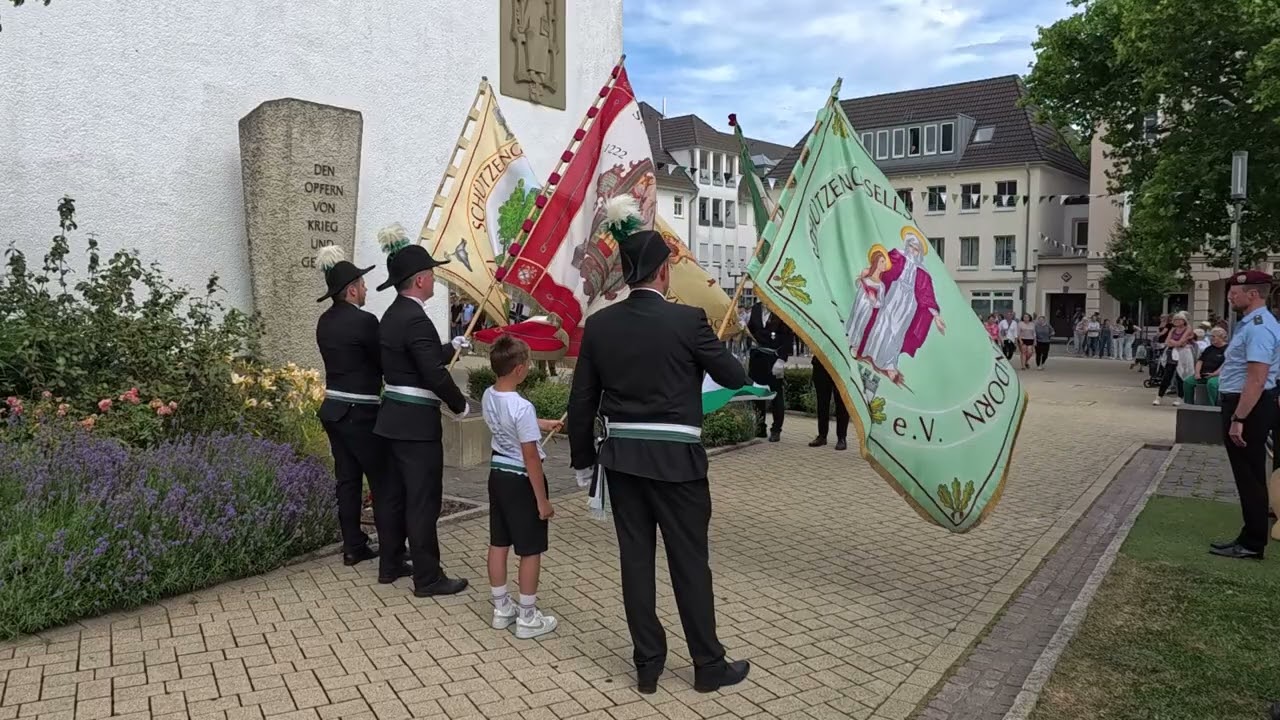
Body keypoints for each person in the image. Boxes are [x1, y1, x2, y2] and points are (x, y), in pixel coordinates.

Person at [568, 229, 753, 694]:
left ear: (628, 276)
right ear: (664, 271)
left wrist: (583, 464)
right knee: (689, 563)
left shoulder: (601, 326)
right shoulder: (688, 321)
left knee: (636, 562)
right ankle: (707, 665)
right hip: (678, 464)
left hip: (622, 462)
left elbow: (581, 401)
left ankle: (647, 664)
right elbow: (733, 375)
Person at [373, 225, 473, 597]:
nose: (434, 278)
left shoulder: (394, 315)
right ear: (418, 280)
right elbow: (430, 372)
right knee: (422, 501)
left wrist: (450, 347)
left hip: (393, 420)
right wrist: (460, 404)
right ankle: (428, 577)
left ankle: (391, 563)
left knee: (395, 496)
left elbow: (416, 359)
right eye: (430, 274)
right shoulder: (415, 318)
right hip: (416, 425)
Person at [313, 246, 408, 579]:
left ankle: (352, 545)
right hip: (360, 411)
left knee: (348, 480)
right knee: (384, 481)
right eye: (363, 284)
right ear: (352, 289)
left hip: (333, 409)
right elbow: (384, 361)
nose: (367, 289)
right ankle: (392, 553)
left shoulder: (324, 321)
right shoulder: (365, 321)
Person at [482, 335, 562, 639]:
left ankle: (502, 608)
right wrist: (542, 501)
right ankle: (528, 616)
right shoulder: (522, 405)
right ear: (519, 369)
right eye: (527, 363)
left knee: (499, 542)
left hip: (497, 473)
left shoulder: (491, 395)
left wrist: (542, 423)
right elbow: (531, 456)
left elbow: (507, 424)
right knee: (530, 549)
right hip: (521, 480)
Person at [1210, 271, 1280, 560]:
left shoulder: (1259, 327)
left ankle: (1253, 543)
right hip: (1249, 403)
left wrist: (1238, 419)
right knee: (1248, 474)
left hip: (1247, 405)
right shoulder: (1253, 323)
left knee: (1249, 475)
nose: (1230, 296)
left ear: (1253, 294)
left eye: (1235, 292)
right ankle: (1249, 536)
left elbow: (1256, 378)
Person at [747, 300, 793, 442]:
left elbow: (788, 337)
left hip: (774, 358)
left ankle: (776, 429)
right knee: (757, 393)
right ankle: (760, 426)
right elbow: (751, 330)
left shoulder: (781, 308)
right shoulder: (755, 309)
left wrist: (782, 359)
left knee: (776, 394)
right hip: (757, 358)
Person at [808, 356, 849, 450]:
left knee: (842, 404)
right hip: (821, 364)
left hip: (840, 365)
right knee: (822, 403)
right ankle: (822, 436)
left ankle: (842, 438)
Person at [1153, 312, 1193, 406]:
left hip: (1183, 354)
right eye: (1175, 319)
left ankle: (1180, 397)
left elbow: (1182, 341)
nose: (1177, 321)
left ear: (1184, 321)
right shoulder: (1173, 329)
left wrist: (1175, 342)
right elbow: (1167, 341)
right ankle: (1159, 397)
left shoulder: (1188, 328)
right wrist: (1175, 343)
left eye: (1179, 319)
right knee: (1167, 375)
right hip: (1172, 354)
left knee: (1180, 376)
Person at [1182, 327, 1227, 406]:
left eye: (1213, 336)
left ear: (1221, 337)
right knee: (1187, 382)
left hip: (1218, 375)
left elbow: (1226, 364)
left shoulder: (1228, 349)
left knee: (1211, 384)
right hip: (1203, 374)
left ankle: (1212, 406)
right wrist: (1197, 373)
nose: (1211, 338)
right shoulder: (1209, 349)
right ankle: (1188, 404)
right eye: (1211, 336)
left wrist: (1215, 374)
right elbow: (1200, 361)